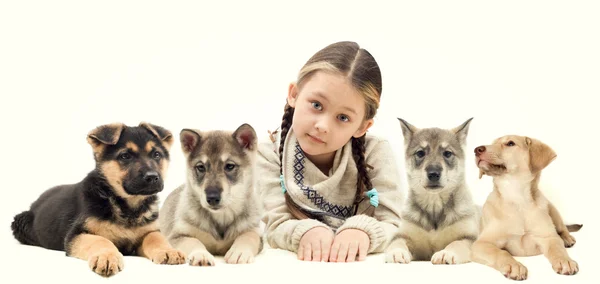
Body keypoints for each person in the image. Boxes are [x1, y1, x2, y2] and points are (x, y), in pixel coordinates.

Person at [257, 41, 404, 262]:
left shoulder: (375, 153)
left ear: (362, 127)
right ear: (294, 94)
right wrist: (305, 231)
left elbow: (394, 223)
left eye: (343, 118)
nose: (323, 125)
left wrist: (363, 231)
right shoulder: (267, 155)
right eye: (316, 105)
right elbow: (275, 225)